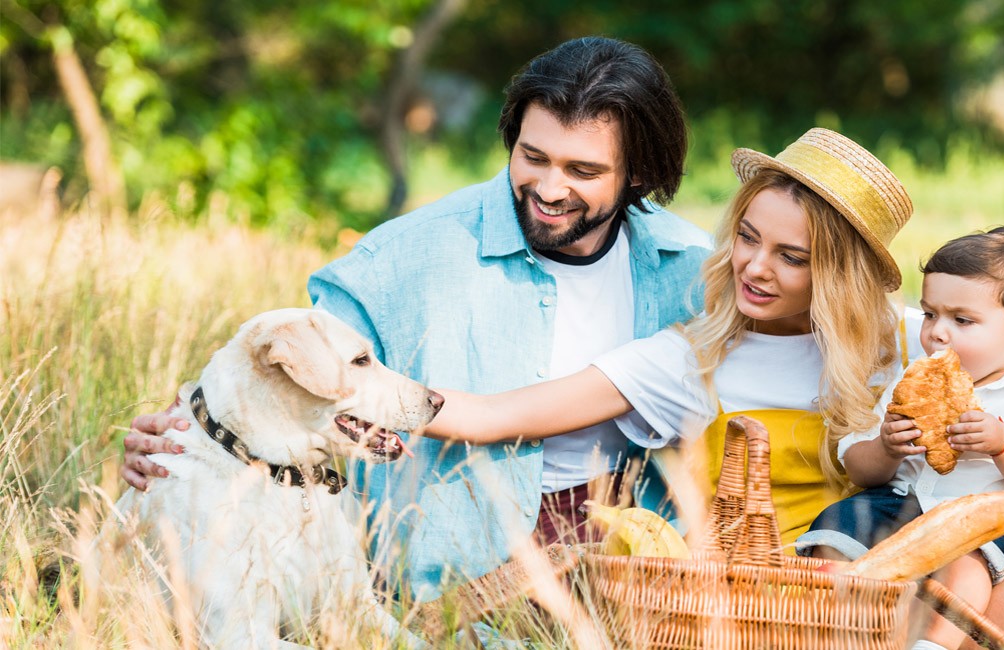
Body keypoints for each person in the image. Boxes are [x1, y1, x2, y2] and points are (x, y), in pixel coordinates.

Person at [419, 128, 1004, 649]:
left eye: (794, 256)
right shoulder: (687, 358)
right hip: (832, 601)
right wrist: (365, 389)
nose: (757, 269)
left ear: (846, 274)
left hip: (988, 542)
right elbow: (497, 416)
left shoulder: (915, 339)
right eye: (749, 239)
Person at [118, 36, 713, 600]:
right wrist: (188, 440)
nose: (548, 188)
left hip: (642, 556)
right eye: (533, 157)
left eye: (582, 171)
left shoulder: (693, 271)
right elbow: (287, 381)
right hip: (460, 567)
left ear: (637, 174)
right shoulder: (403, 257)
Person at [799, 227, 1004, 650]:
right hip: (899, 501)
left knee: (967, 564)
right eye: (930, 314)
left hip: (983, 518)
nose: (936, 333)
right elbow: (858, 468)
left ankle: (934, 643)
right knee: (836, 528)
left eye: (961, 320)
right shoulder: (913, 377)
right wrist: (886, 447)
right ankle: (832, 626)